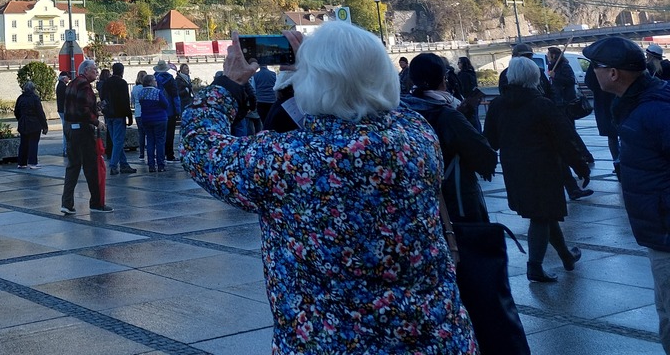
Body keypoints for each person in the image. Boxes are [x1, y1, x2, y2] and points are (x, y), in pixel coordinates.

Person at [181, 22, 475, 354]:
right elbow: (365, 96)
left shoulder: (288, 160)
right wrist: (312, 71)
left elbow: (200, 146)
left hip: (330, 343)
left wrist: (228, 83)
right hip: (436, 338)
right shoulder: (416, 135)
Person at [583, 36, 670, 351]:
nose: (592, 73)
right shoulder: (637, 103)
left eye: (596, 66)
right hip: (658, 231)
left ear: (614, 74)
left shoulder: (653, 111)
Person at [484, 57, 590, 283]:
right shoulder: (542, 105)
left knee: (544, 214)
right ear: (535, 78)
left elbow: (491, 141)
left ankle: (566, 256)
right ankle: (534, 267)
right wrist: (581, 166)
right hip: (543, 168)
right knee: (541, 216)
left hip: (514, 169)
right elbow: (565, 139)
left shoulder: (497, 104)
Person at [401, 54, 497, 222]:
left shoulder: (404, 111)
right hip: (456, 197)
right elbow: (484, 154)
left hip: (420, 200)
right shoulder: (448, 114)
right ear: (442, 78)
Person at [60, 59, 112, 215]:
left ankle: (67, 203)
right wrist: (97, 122)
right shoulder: (84, 85)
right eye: (94, 69)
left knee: (73, 166)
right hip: (82, 130)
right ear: (86, 70)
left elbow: (76, 107)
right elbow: (83, 109)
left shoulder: (72, 84)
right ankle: (96, 203)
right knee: (91, 166)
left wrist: (97, 107)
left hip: (70, 128)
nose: (96, 72)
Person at [546, 46, 594, 199]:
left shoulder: (564, 66)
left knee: (570, 134)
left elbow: (570, 80)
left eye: (548, 54)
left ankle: (585, 155)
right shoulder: (552, 66)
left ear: (553, 55)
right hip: (558, 103)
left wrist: (555, 76)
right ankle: (583, 156)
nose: (547, 57)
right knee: (569, 135)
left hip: (566, 104)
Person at [102, 62, 136, 175]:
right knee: (119, 141)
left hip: (109, 115)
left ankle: (124, 164)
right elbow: (125, 101)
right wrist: (129, 116)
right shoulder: (122, 83)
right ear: (122, 71)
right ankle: (113, 165)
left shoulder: (106, 83)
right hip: (119, 114)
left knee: (115, 140)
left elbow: (102, 98)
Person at [135, 74, 170, 171]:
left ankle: (151, 165)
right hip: (159, 118)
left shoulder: (141, 93)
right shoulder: (157, 92)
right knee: (160, 142)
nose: (156, 81)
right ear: (151, 82)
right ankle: (160, 164)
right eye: (155, 80)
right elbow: (166, 104)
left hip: (146, 119)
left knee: (150, 141)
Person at [13, 80, 49, 169]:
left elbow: (16, 111)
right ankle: (32, 162)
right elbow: (40, 113)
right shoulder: (35, 98)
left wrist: (20, 119)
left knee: (23, 143)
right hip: (34, 123)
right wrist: (44, 125)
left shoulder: (20, 98)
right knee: (33, 143)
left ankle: (21, 163)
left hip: (23, 123)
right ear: (33, 89)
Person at [153, 60, 181, 163]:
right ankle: (170, 154)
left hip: (157, 110)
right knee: (170, 133)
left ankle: (160, 154)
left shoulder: (153, 78)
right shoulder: (169, 79)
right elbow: (175, 96)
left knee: (159, 134)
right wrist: (178, 110)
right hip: (170, 110)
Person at [455, 57, 483, 131]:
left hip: (466, 99)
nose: (458, 64)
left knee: (469, 119)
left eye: (459, 62)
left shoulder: (462, 75)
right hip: (474, 97)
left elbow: (463, 88)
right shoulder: (472, 73)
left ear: (463, 63)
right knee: (476, 118)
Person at [251, 59, 278, 125]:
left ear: (259, 65)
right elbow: (277, 88)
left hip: (261, 101)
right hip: (272, 101)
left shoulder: (255, 75)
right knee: (272, 121)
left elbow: (253, 89)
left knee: (264, 121)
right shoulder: (274, 74)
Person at [130, 69, 148, 162]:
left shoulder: (134, 89)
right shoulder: (145, 89)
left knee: (141, 134)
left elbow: (132, 101)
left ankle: (141, 154)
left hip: (137, 113)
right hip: (145, 112)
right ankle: (150, 152)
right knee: (149, 134)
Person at [55, 71, 70, 157]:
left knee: (65, 129)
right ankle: (66, 150)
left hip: (60, 110)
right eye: (67, 77)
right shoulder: (63, 87)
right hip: (64, 110)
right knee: (66, 131)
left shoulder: (59, 86)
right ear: (64, 78)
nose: (69, 78)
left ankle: (65, 149)